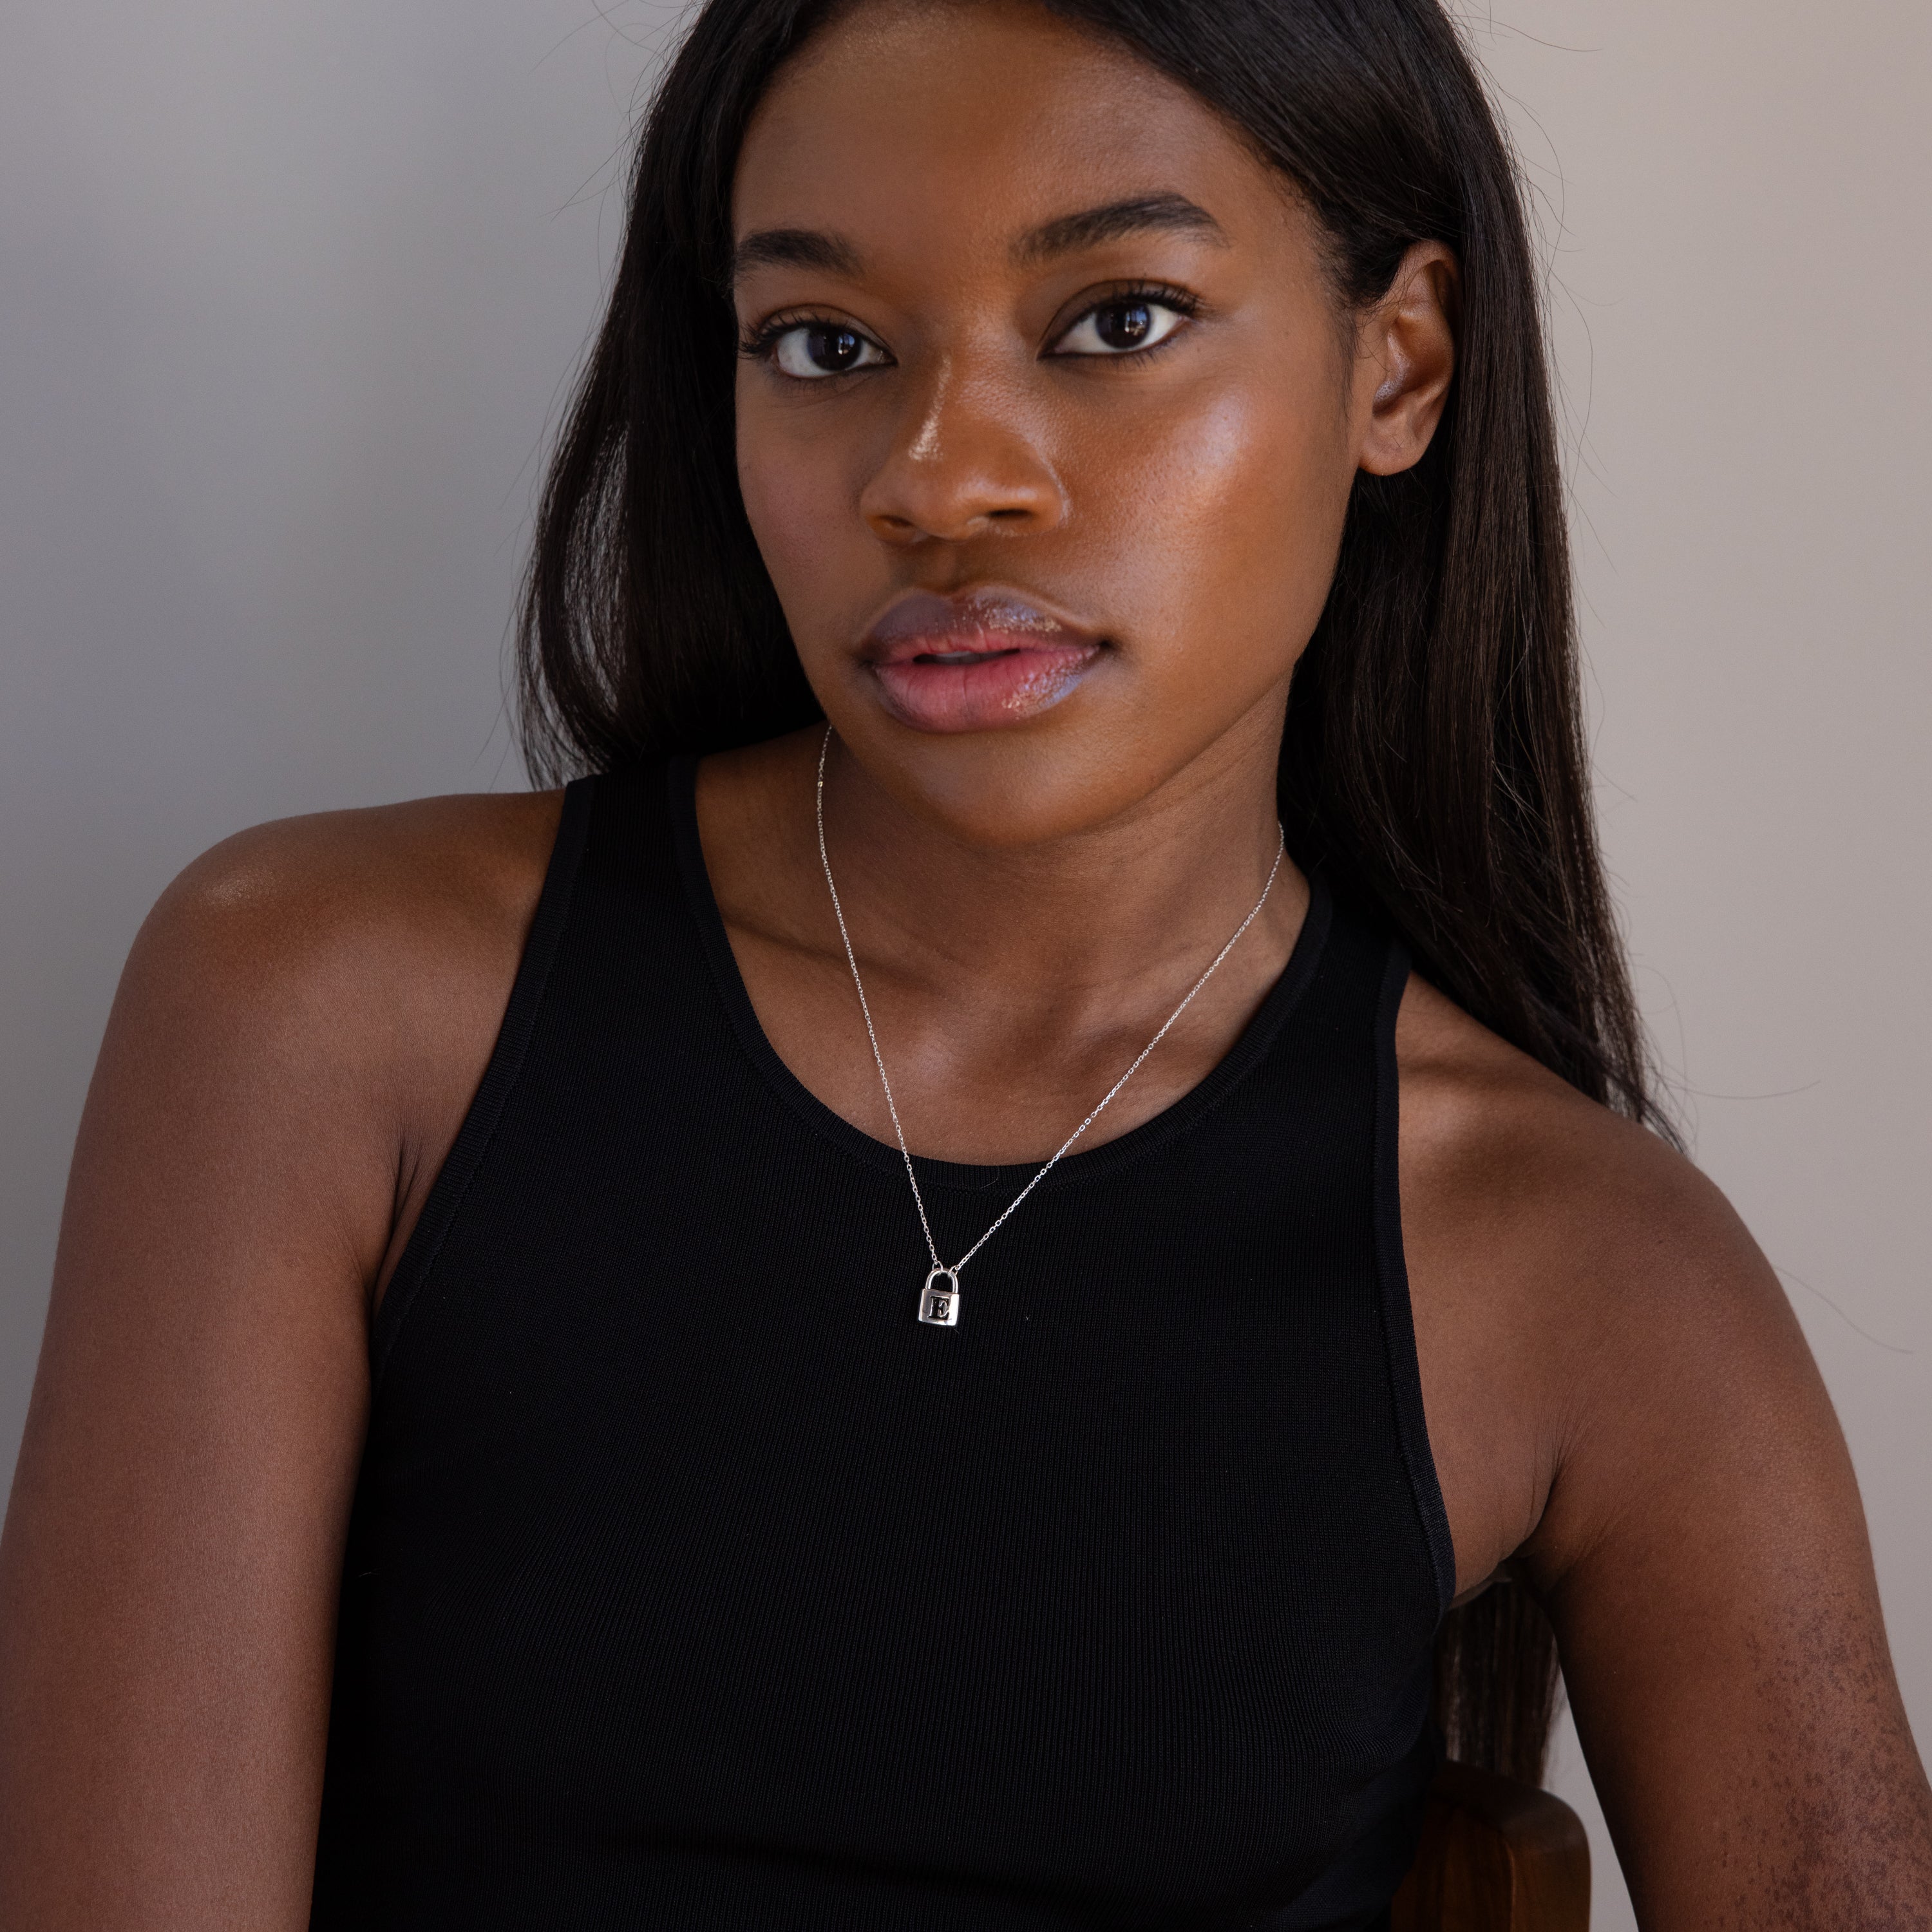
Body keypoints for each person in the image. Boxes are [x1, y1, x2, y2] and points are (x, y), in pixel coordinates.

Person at [2, 0, 1927, 1924]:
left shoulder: (1592, 1279)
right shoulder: (317, 1016)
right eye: (825, 347)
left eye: (1117, 320)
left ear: (1399, 366)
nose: (938, 479)